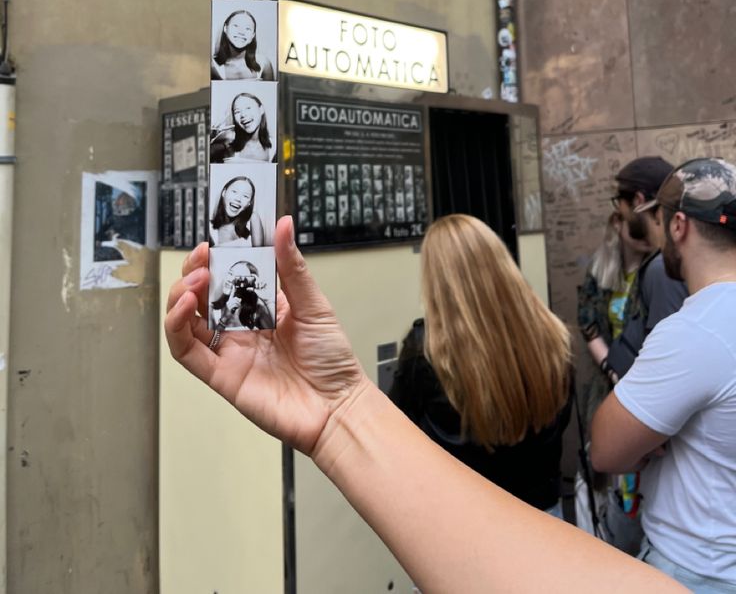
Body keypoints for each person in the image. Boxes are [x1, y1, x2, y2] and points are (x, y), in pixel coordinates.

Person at [164, 217, 682, 593]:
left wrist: (341, 413)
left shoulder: (425, 351)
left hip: (450, 538)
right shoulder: (553, 337)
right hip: (552, 527)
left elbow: (398, 440)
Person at [591, 158, 736, 592]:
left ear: (678, 226)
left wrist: (657, 435)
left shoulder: (696, 330)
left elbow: (605, 451)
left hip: (701, 568)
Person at [390, 214, 573, 516]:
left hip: (466, 521)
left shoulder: (426, 351)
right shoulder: (553, 337)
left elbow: (396, 434)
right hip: (544, 514)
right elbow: (560, 418)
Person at [577, 210, 651, 552]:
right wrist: (611, 368)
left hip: (648, 379)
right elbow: (587, 321)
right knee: (614, 465)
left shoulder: (660, 270)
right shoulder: (602, 268)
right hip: (612, 383)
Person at [604, 157, 686, 377]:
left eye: (619, 201)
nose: (618, 211)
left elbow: (667, 364)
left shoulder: (663, 269)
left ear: (638, 200)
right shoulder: (669, 259)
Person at [210, 92, 275, 163]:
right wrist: (209, 137)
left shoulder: (274, 146)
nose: (243, 115)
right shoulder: (227, 143)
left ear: (261, 109)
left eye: (248, 108)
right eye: (237, 111)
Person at [211, 9, 275, 81]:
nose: (241, 32)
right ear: (225, 28)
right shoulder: (213, 66)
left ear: (253, 35)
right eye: (236, 26)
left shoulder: (264, 64)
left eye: (247, 28)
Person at [209, 260, 274, 330]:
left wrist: (268, 300)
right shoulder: (211, 309)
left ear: (249, 284)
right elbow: (210, 338)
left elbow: (273, 334)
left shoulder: (257, 311)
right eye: (231, 273)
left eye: (239, 278)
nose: (231, 279)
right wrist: (225, 318)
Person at [209, 175, 269, 247]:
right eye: (234, 191)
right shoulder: (210, 228)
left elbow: (259, 255)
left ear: (249, 203)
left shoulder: (253, 219)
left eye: (245, 196)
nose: (238, 199)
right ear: (224, 193)